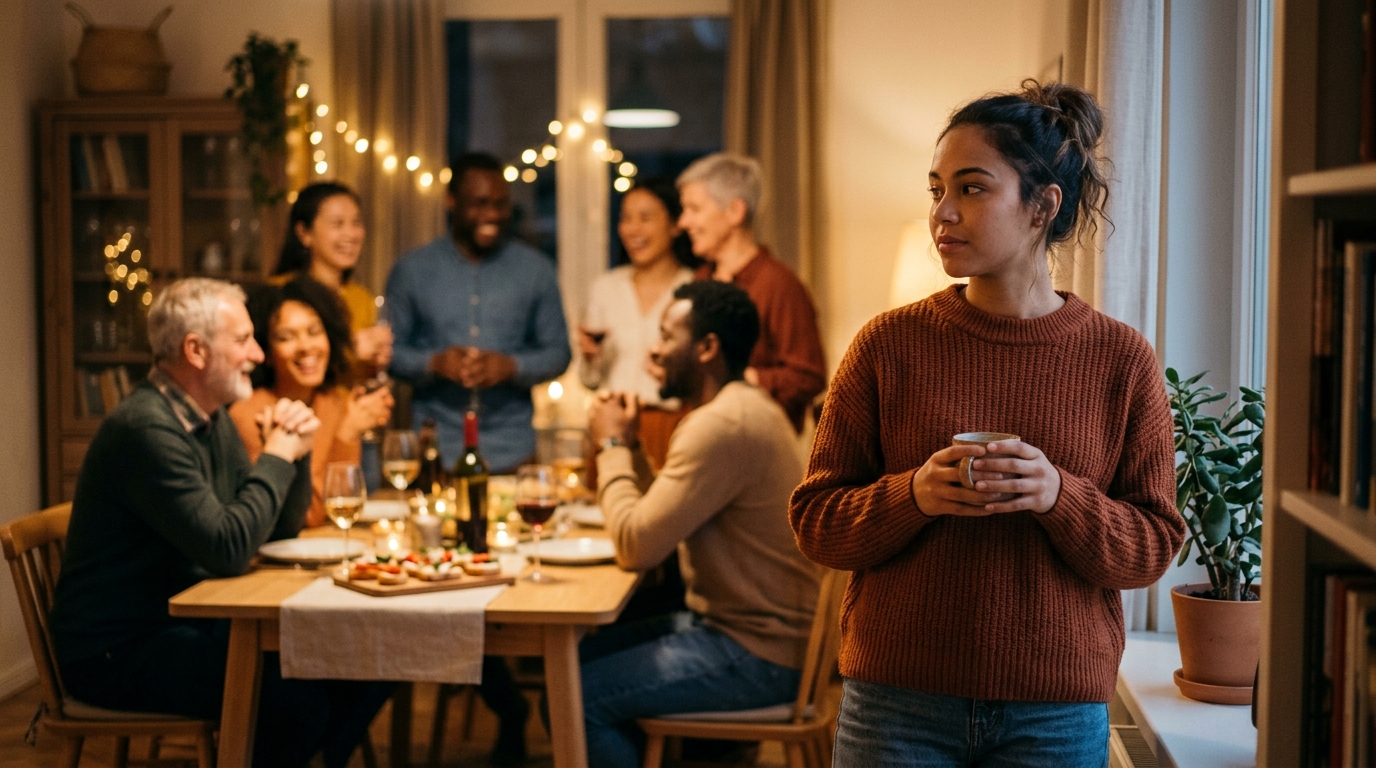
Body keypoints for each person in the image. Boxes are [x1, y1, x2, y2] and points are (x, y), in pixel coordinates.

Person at [789, 81, 1186, 767]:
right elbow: (816, 522)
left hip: (1056, 711)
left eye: (971, 189)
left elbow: (1151, 548)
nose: (943, 212)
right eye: (937, 189)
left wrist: (1058, 496)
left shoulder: (1120, 358)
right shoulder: (886, 345)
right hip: (895, 703)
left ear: (1042, 206)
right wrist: (912, 494)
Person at [49, 278, 392, 768]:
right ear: (196, 350)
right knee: (292, 700)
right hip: (119, 649)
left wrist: (296, 449)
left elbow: (272, 532)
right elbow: (229, 548)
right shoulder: (147, 429)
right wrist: (277, 454)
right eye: (243, 340)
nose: (256, 353)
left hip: (186, 622)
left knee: (366, 661)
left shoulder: (209, 418)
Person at [582, 280, 824, 768]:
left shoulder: (720, 426)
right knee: (574, 661)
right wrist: (628, 445)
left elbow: (636, 545)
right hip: (756, 633)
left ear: (707, 348)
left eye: (667, 336)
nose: (655, 349)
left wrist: (608, 447)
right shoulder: (745, 406)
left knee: (574, 694)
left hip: (760, 653)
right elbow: (660, 516)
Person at [386, 152, 570, 470]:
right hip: (436, 452)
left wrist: (511, 366)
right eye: (479, 203)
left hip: (513, 451)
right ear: (451, 201)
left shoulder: (536, 270)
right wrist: (435, 363)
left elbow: (559, 353)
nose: (492, 214)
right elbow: (388, 353)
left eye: (500, 204)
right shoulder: (412, 270)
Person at [676, 152, 825, 433]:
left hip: (756, 443)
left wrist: (742, 379)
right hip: (699, 437)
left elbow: (808, 378)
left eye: (694, 209)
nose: (684, 222)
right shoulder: (700, 280)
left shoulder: (779, 285)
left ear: (735, 212)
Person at [230, 277, 394, 527]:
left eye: (315, 331)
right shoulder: (250, 413)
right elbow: (306, 515)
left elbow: (347, 503)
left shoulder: (334, 402)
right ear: (267, 351)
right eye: (286, 337)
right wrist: (347, 433)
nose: (306, 346)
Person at [273, 181, 393, 376]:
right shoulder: (281, 293)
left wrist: (375, 361)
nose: (351, 234)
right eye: (338, 224)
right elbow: (278, 369)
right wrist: (350, 351)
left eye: (356, 223)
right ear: (304, 233)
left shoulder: (362, 298)